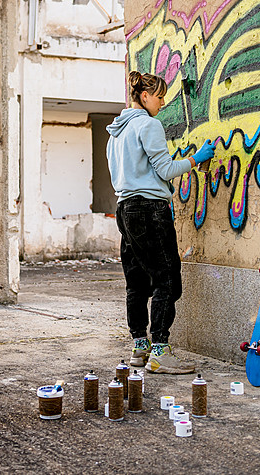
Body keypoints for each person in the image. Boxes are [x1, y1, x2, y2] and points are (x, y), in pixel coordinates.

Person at [106, 71, 216, 374]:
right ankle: (160, 351)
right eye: (159, 96)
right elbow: (166, 170)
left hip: (124, 209)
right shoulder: (149, 125)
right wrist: (197, 158)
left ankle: (139, 348)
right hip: (151, 209)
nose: (163, 102)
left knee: (137, 281)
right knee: (167, 278)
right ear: (144, 96)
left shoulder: (115, 133)